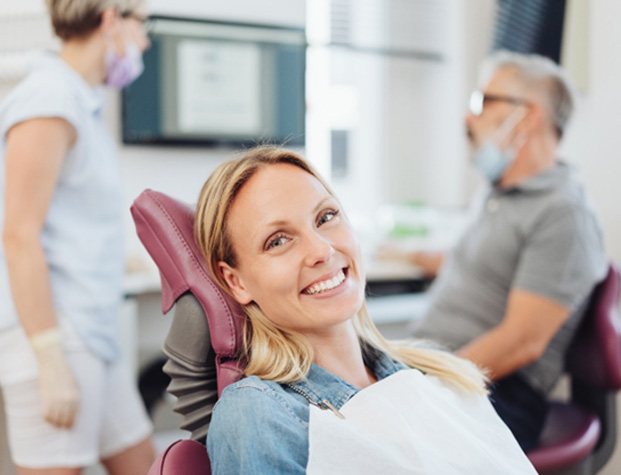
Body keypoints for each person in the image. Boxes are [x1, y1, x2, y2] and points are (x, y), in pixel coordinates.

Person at [192, 146, 536, 474]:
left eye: (326, 217)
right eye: (278, 241)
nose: (322, 250)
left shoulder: (439, 376)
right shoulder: (259, 414)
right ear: (236, 281)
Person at [405, 51, 608, 451]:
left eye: (482, 102)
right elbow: (486, 265)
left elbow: (521, 341)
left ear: (527, 117)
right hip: (444, 368)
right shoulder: (499, 193)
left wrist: (424, 386)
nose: (468, 117)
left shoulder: (564, 213)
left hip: (496, 391)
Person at [0, 1, 156, 473]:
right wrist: (49, 360)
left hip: (93, 330)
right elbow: (17, 234)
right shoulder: (49, 99)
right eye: (142, 24)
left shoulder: (79, 100)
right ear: (110, 18)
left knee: (145, 463)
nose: (145, 41)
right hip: (55, 335)